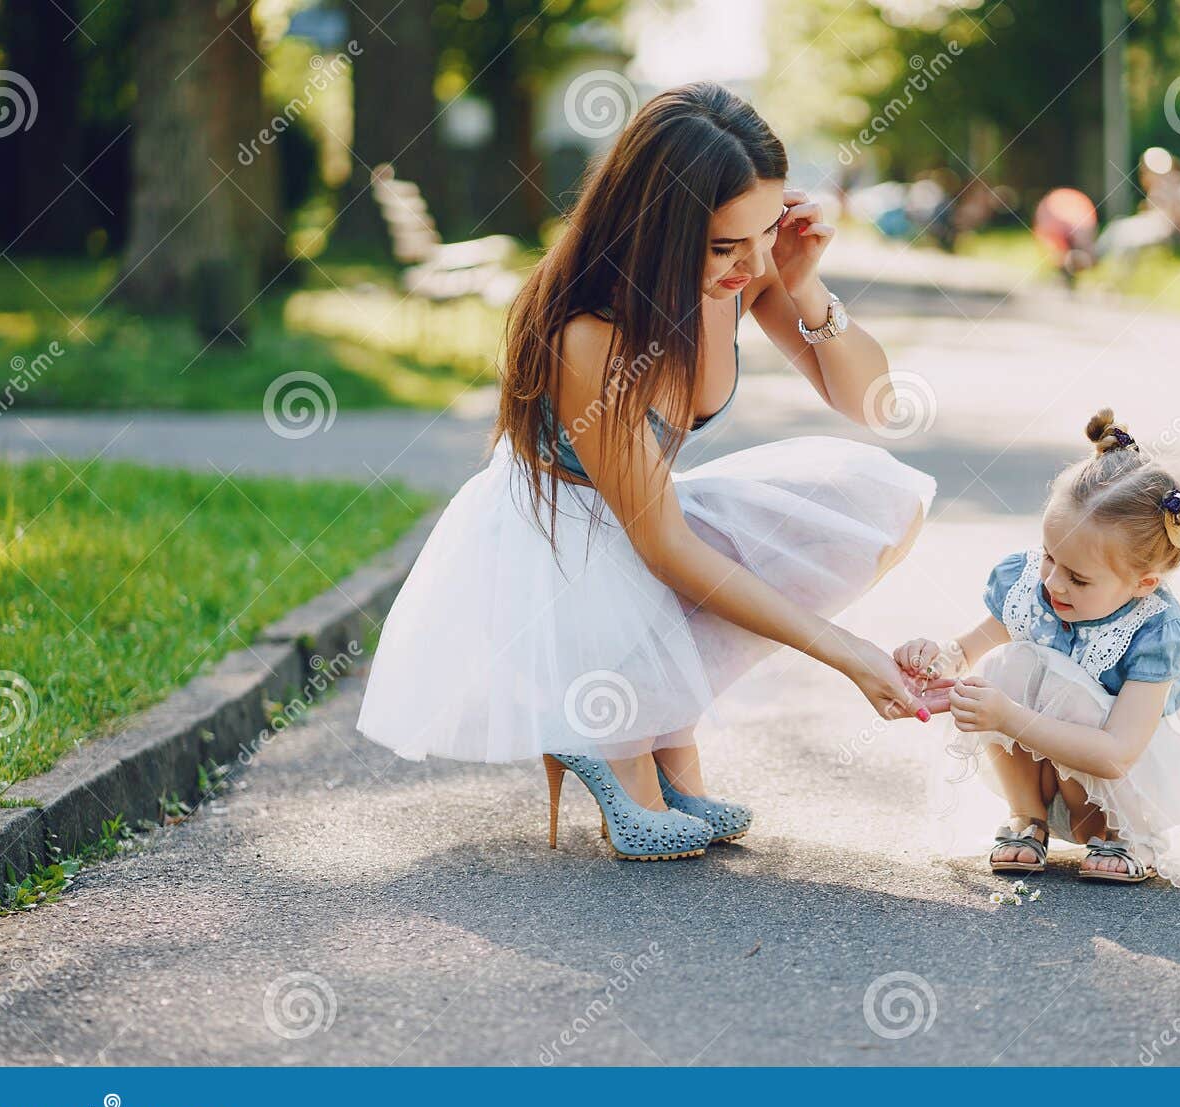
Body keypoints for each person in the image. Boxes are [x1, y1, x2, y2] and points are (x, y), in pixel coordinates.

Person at [357, 82, 936, 862]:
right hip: (554, 543)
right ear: (656, 231)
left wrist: (803, 286)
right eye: (726, 246)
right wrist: (846, 652)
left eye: (766, 231)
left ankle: (658, 728)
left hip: (638, 514)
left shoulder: (753, 267)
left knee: (872, 493)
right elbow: (663, 546)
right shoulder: (591, 331)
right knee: (639, 563)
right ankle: (603, 728)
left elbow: (869, 402)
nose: (752, 261)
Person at [895, 409, 1180, 886]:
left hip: (1126, 791)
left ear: (1143, 583)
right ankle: (1027, 818)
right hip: (1051, 781)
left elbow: (1118, 754)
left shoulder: (1153, 631)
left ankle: (1128, 839)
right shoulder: (1030, 585)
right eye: (1049, 555)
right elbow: (964, 652)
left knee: (1065, 690)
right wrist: (931, 660)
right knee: (1008, 663)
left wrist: (1008, 717)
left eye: (1078, 577)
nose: (1052, 581)